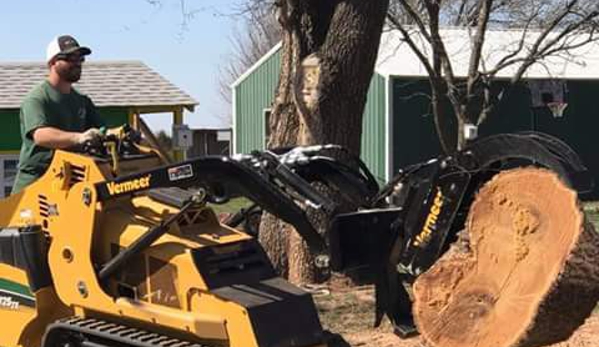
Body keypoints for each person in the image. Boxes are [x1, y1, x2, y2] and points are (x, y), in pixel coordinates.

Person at [12, 35, 106, 194]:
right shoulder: (37, 98)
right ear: (52, 62)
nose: (77, 62)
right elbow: (41, 135)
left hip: (68, 182)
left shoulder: (82, 101)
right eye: (70, 57)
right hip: (35, 184)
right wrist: (79, 137)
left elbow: (103, 130)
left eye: (80, 58)